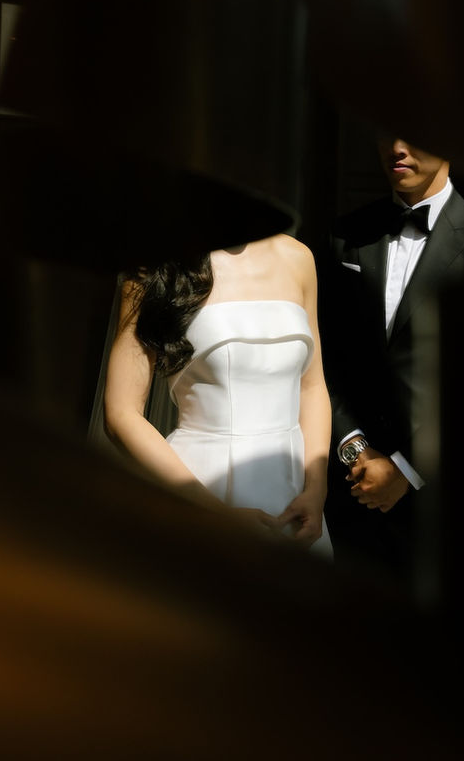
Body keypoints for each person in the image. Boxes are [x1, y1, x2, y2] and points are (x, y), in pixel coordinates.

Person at [322, 134, 464, 586]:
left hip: (439, 501)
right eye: (386, 134)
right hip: (348, 488)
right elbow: (326, 355)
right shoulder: (346, 235)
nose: (397, 148)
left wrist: (404, 470)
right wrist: (353, 447)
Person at [104, 234, 332, 555]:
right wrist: (213, 512)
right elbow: (120, 413)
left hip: (294, 500)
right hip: (200, 490)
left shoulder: (297, 257)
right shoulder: (154, 268)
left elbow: (312, 386)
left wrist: (316, 489)